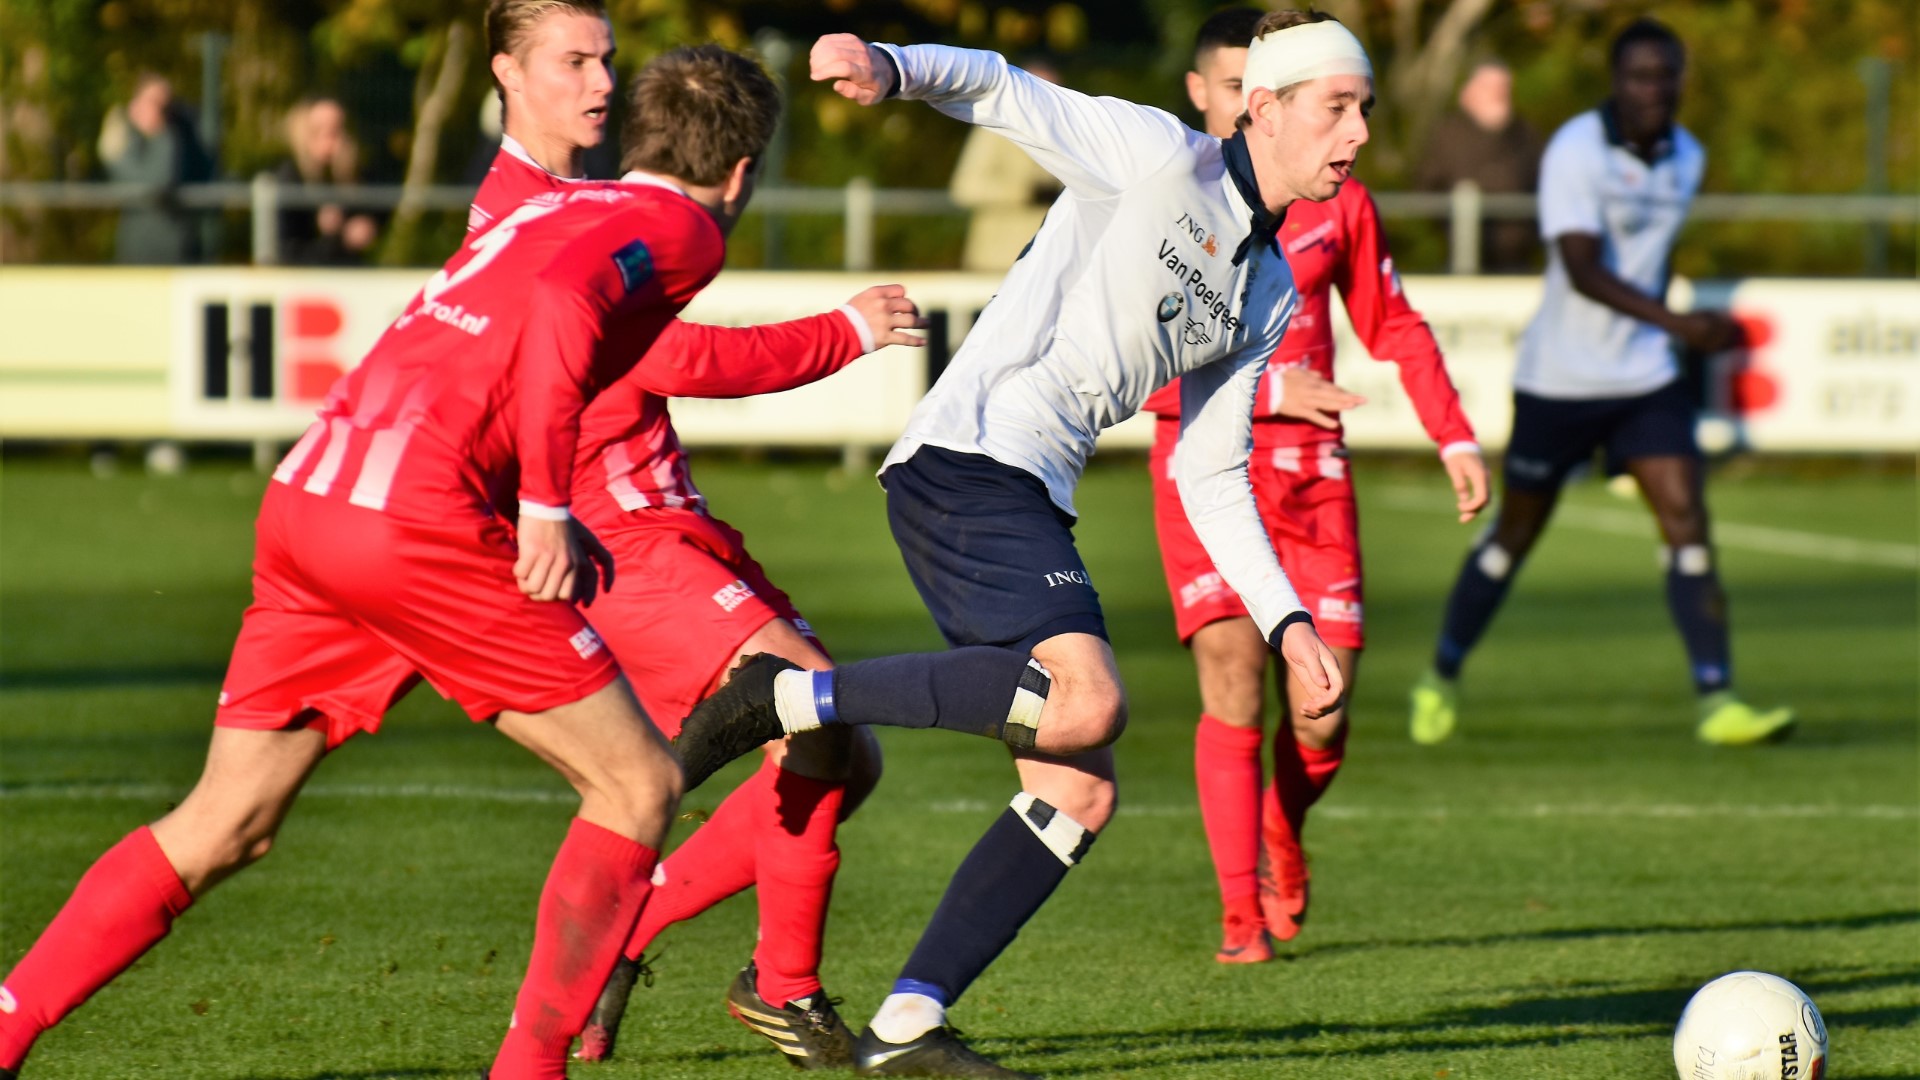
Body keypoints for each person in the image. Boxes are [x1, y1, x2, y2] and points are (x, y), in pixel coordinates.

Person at [0, 43, 780, 1080]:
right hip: (417, 521)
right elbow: (568, 314)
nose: (594, 80)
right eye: (576, 56)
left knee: (225, 821)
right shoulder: (679, 225)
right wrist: (546, 507)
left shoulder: (546, 208)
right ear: (741, 172)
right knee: (636, 784)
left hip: (318, 490)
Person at [675, 13, 1367, 1075]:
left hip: (1029, 492)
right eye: (1338, 107)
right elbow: (1002, 88)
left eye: (1364, 109)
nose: (1358, 133)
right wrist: (893, 67)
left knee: (1076, 790)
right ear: (1264, 109)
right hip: (970, 460)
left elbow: (1208, 472)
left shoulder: (1268, 287)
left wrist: (1287, 622)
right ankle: (788, 695)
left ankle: (906, 1026)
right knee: (1088, 702)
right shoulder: (1157, 157)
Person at [462, 3, 894, 1065]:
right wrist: (846, 330)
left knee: (845, 757)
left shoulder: (581, 198)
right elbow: (677, 360)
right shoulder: (535, 210)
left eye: (608, 60)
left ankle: (629, 934)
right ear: (509, 73)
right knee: (806, 704)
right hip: (613, 534)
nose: (601, 81)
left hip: (667, 522)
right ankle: (783, 989)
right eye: (577, 61)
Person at [1144, 7, 1487, 963]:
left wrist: (1454, 435)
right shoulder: (1167, 201)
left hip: (1312, 484)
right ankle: (1238, 917)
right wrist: (1270, 389)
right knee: (1232, 683)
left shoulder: (1341, 203)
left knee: (1322, 707)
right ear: (1217, 96)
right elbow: (1123, 360)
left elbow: (1394, 324)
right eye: (1228, 88)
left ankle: (1280, 826)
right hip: (1204, 474)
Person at [1409, 18, 1793, 748]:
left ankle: (1719, 699)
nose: (1654, 89)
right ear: (1616, 81)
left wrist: (1669, 334)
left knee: (1686, 517)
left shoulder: (1689, 156)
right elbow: (1582, 270)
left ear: (1681, 81)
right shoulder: (1576, 149)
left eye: (1666, 75)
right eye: (1639, 76)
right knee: (1515, 535)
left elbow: (1653, 257)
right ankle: (1441, 675)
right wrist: (1681, 325)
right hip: (1559, 377)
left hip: (1644, 376)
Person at [1415, 60, 1543, 273]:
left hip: (1518, 260)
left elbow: (1543, 185)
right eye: (1490, 87)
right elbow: (1427, 187)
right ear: (1469, 91)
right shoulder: (1447, 135)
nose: (1498, 93)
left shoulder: (1526, 134)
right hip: (1461, 256)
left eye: (1504, 87)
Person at [948, 59, 1063, 272]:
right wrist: (1025, 191)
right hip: (997, 261)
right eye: (1038, 90)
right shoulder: (993, 128)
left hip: (1046, 261)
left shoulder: (1062, 133)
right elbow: (965, 187)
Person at [99, 73, 212, 264]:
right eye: (154, 102)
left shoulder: (184, 136)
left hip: (180, 254)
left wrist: (162, 132)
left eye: (166, 105)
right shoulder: (122, 137)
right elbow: (153, 184)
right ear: (136, 105)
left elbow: (170, 178)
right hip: (137, 255)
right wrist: (158, 133)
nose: (161, 111)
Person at [274, 95, 380, 265]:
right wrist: (332, 237)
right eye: (318, 130)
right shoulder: (289, 179)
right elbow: (285, 250)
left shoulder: (358, 176)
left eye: (336, 131)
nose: (329, 139)